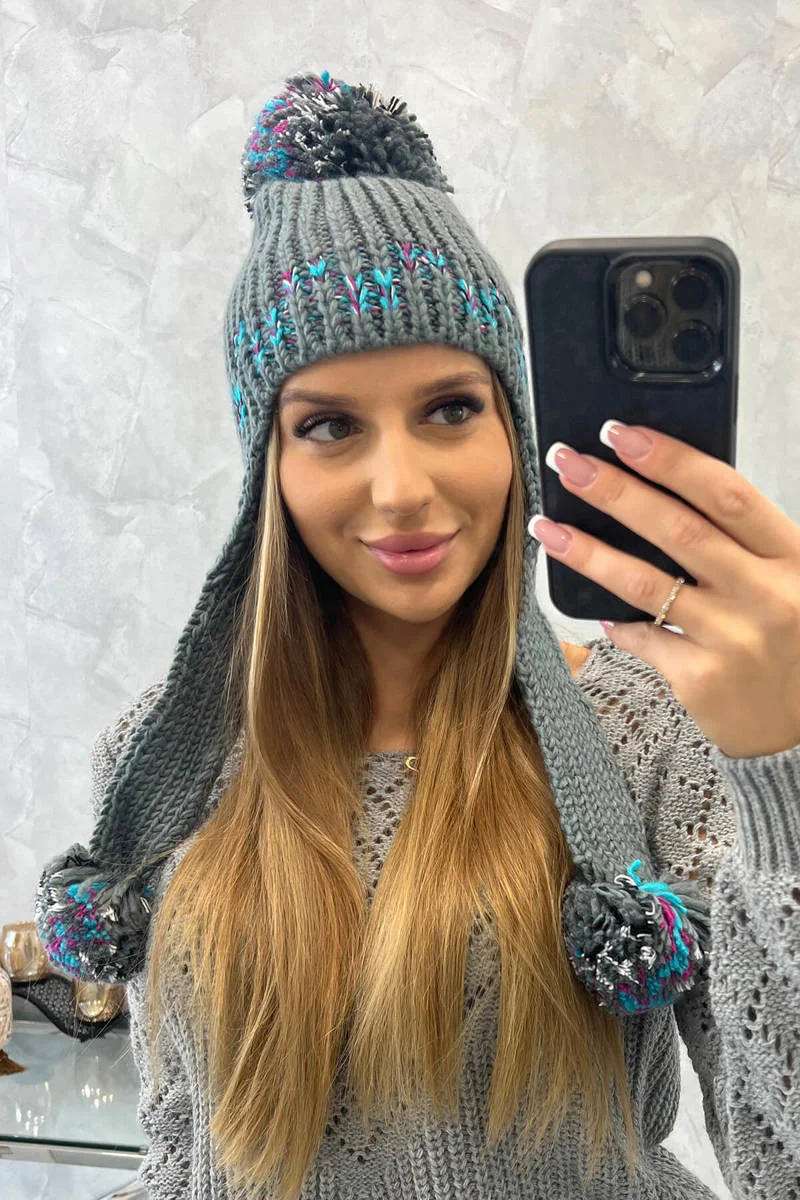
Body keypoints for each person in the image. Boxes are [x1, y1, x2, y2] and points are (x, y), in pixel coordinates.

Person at [34, 71, 800, 1200]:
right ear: (266, 469)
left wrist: (778, 774)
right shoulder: (163, 764)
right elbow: (183, 1154)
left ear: (514, 429)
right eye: (329, 426)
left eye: (449, 409)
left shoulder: (647, 733)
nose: (399, 488)